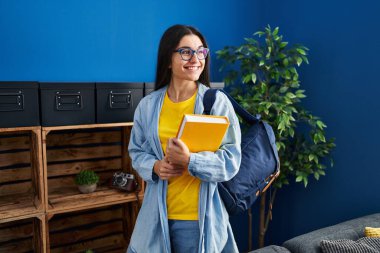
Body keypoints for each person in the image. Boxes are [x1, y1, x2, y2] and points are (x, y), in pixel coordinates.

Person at [127, 24, 242, 253]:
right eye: (186, 52)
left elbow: (231, 161)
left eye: (201, 51)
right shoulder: (148, 106)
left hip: (198, 221)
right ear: (168, 60)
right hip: (155, 217)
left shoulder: (216, 103)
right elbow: (136, 151)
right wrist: (155, 166)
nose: (196, 58)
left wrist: (191, 161)